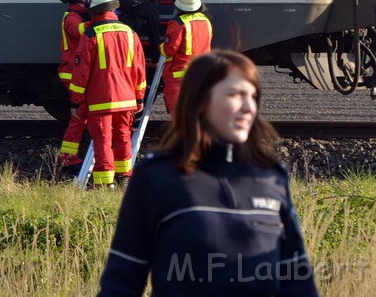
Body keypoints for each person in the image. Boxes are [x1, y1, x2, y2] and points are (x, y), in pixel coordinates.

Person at [96, 50, 319, 296]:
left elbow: (298, 280)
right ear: (200, 101)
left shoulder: (271, 177)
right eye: (235, 95)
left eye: (253, 96)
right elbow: (122, 281)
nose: (248, 107)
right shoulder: (155, 177)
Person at [69, 0, 147, 187]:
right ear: (114, 7)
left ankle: (105, 182)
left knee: (103, 138)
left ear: (94, 9)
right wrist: (139, 98)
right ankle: (124, 177)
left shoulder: (91, 35)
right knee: (123, 136)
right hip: (128, 98)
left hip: (100, 100)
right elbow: (139, 70)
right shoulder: (131, 33)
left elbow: (81, 72)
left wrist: (76, 101)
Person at [56, 0, 94, 171]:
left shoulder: (76, 14)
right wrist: (100, 19)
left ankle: (70, 156)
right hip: (73, 74)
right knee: (79, 117)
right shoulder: (72, 17)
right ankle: (67, 158)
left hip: (76, 73)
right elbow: (81, 33)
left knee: (82, 116)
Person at [160, 0, 213, 115]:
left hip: (179, 80)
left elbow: (168, 50)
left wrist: (160, 46)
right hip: (201, 76)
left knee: (181, 122)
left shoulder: (177, 24)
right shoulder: (205, 21)